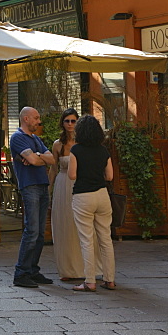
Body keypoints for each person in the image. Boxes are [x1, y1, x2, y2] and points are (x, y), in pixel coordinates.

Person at [68, 114, 116, 292]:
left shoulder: (76, 150)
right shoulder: (103, 151)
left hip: (83, 196)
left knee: (87, 240)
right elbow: (110, 176)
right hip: (102, 195)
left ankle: (90, 281)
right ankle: (109, 279)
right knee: (105, 239)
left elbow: (72, 175)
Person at [10, 106, 55, 288]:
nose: (39, 121)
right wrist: (38, 157)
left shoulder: (35, 139)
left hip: (42, 185)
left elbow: (52, 159)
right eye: (36, 118)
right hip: (29, 186)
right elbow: (39, 161)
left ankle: (32, 270)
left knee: (39, 233)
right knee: (32, 230)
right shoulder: (18, 138)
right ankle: (21, 273)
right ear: (26, 119)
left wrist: (36, 155)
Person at [50, 108, 89, 281]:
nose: (70, 124)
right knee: (64, 225)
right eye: (67, 121)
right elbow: (53, 168)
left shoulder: (84, 143)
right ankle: (67, 269)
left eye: (73, 121)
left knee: (81, 226)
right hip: (63, 184)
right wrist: (48, 188)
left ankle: (86, 268)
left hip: (81, 184)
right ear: (63, 123)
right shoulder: (57, 144)